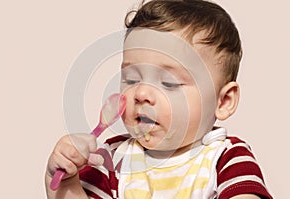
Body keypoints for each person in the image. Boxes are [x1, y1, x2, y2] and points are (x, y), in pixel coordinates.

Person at [45, 0, 273, 198]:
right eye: (132, 80)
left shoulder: (227, 158)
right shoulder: (111, 159)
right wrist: (66, 184)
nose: (142, 94)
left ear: (223, 102)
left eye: (168, 83)